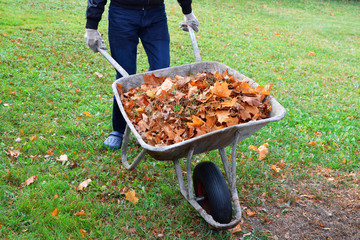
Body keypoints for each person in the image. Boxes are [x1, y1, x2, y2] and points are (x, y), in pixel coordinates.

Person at [84, 0, 199, 150]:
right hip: (122, 14)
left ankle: (154, 126)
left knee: (162, 72)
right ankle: (119, 130)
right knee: (125, 76)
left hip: (155, 14)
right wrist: (91, 27)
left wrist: (188, 12)